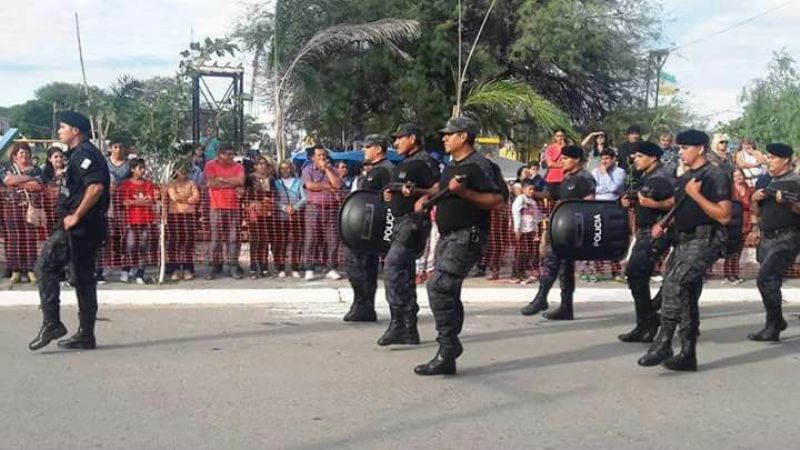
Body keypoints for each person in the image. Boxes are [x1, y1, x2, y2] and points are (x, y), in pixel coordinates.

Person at [412, 116, 507, 376]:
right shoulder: (451, 166)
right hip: (448, 236)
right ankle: (448, 351)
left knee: (439, 285)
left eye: (449, 134)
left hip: (468, 235)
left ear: (464, 136)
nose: (444, 137)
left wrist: (465, 193)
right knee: (447, 290)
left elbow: (498, 200)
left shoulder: (479, 165)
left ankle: (448, 346)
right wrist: (423, 197)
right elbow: (442, 190)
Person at [638, 129, 732, 372]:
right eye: (679, 148)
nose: (680, 152)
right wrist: (664, 221)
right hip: (683, 239)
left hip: (706, 239)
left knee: (676, 284)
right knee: (686, 293)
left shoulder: (715, 175)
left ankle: (664, 342)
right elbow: (679, 204)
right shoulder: (685, 177)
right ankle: (688, 354)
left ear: (700, 148)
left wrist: (696, 195)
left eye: (685, 148)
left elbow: (724, 216)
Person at [29, 111, 110, 351]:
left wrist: (76, 215)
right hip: (83, 226)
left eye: (63, 127)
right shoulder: (76, 154)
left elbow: (95, 186)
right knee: (82, 278)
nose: (59, 131)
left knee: (44, 267)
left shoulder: (84, 153)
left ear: (76, 130)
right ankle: (85, 334)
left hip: (78, 227)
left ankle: (52, 323)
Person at [378, 124, 439, 345]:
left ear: (412, 138)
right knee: (403, 273)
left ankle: (398, 323)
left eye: (400, 138)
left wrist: (421, 196)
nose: (396, 143)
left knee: (392, 268)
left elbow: (438, 188)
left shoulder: (425, 161)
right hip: (399, 222)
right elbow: (397, 188)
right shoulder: (404, 163)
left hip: (413, 224)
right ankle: (409, 329)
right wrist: (389, 193)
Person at [520, 145, 595, 320]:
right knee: (564, 269)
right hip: (562, 229)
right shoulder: (567, 178)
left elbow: (589, 204)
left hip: (573, 231)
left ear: (576, 160)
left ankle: (541, 299)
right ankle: (566, 308)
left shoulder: (584, 178)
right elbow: (551, 194)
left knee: (552, 263)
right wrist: (531, 193)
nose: (561, 161)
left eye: (565, 158)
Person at [618, 141, 676, 342]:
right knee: (636, 275)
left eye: (640, 156)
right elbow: (644, 199)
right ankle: (645, 322)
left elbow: (676, 202)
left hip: (656, 232)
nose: (635, 160)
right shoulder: (647, 177)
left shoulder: (662, 177)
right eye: (634, 157)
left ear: (653, 158)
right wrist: (631, 201)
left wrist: (654, 206)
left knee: (635, 273)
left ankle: (649, 320)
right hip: (644, 232)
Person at [747, 143, 800, 341]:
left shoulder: (795, 181)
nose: (768, 161)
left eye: (773, 158)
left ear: (785, 160)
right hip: (767, 236)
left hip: (787, 236)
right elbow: (758, 212)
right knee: (771, 281)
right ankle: (775, 324)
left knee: (765, 278)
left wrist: (787, 202)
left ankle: (774, 323)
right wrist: (754, 199)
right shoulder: (767, 180)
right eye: (768, 157)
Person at [343, 135, 394, 322]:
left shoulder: (382, 171)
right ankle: (363, 305)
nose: (365, 150)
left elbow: (374, 202)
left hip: (370, 229)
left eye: (368, 147)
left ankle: (364, 306)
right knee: (364, 267)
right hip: (368, 229)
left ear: (378, 149)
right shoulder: (381, 170)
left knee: (359, 266)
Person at [2, 143, 45, 284]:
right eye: (21, 153)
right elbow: (7, 180)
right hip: (12, 208)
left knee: (30, 239)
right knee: (14, 239)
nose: (24, 155)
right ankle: (15, 270)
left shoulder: (36, 169)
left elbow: (38, 185)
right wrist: (28, 179)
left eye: (26, 152)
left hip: (30, 208)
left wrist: (17, 181)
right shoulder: (8, 169)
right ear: (14, 155)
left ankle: (31, 269)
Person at [301, 145, 343, 281]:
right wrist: (326, 186)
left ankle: (330, 267)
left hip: (331, 208)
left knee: (332, 239)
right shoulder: (307, 170)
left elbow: (337, 185)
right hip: (313, 208)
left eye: (324, 155)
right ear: (313, 157)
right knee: (311, 238)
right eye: (319, 155)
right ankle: (309, 268)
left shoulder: (334, 170)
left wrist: (327, 169)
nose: (322, 158)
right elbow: (310, 185)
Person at [204, 145, 246, 280]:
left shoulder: (238, 166)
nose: (231, 157)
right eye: (228, 154)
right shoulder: (210, 165)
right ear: (220, 154)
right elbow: (212, 183)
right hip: (216, 206)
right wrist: (231, 183)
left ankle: (233, 265)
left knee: (234, 238)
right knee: (216, 238)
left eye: (232, 154)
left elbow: (241, 181)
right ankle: (214, 265)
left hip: (234, 206)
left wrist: (221, 180)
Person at [118, 158, 157, 284]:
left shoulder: (148, 184)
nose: (143, 170)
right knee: (130, 245)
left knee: (144, 246)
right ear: (132, 169)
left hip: (146, 220)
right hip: (131, 220)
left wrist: (134, 202)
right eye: (140, 168)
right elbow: (125, 202)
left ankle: (140, 273)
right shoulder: (126, 185)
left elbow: (150, 201)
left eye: (143, 168)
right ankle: (126, 270)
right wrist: (140, 202)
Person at [591, 148, 626, 280]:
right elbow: (594, 189)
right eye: (602, 159)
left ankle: (616, 271)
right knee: (598, 238)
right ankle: (598, 271)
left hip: (613, 208)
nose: (604, 162)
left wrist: (605, 174)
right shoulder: (595, 172)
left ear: (613, 159)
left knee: (613, 239)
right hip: (598, 207)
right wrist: (605, 188)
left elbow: (614, 188)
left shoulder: (620, 172)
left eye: (607, 159)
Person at [166, 162, 201, 281]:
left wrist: (183, 199)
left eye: (185, 170)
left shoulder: (192, 183)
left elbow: (196, 197)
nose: (183, 173)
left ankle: (188, 269)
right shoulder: (171, 184)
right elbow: (174, 197)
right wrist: (187, 198)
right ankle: (174, 269)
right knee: (174, 243)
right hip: (174, 216)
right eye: (181, 170)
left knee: (188, 243)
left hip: (189, 216)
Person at [273, 160, 306, 278]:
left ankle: (295, 267)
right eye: (282, 168)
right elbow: (274, 199)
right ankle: (280, 268)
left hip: (296, 216)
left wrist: (295, 208)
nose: (285, 170)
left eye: (287, 168)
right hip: (281, 217)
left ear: (291, 169)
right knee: (281, 242)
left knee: (296, 242)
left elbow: (304, 198)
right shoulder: (276, 183)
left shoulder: (299, 182)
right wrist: (284, 207)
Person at [244, 157, 275, 279]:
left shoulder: (271, 179)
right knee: (254, 239)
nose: (262, 166)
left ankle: (264, 266)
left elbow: (272, 193)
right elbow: (246, 194)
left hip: (267, 211)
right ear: (255, 166)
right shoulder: (249, 178)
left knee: (264, 239)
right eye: (260, 164)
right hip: (253, 211)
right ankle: (253, 267)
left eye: (265, 164)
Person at [723, 168, 754, 284]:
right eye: (736, 176)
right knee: (730, 248)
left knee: (739, 249)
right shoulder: (729, 190)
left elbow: (753, 204)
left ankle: (735, 273)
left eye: (740, 175)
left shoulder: (750, 190)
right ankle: (727, 274)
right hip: (732, 222)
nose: (738, 177)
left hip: (746, 221)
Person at [106, 141, 131, 283]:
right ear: (110, 148)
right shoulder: (104, 163)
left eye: (121, 146)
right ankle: (108, 265)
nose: (118, 149)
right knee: (108, 235)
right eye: (115, 147)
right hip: (108, 204)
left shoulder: (128, 165)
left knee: (125, 236)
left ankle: (126, 268)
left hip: (125, 204)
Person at [512, 179, 543, 284]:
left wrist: (536, 230)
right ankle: (516, 274)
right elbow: (516, 213)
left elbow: (536, 217)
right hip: (522, 230)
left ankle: (524, 272)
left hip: (530, 231)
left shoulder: (533, 202)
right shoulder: (520, 199)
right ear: (523, 189)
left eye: (533, 189)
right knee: (521, 252)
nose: (532, 191)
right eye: (530, 189)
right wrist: (517, 228)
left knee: (529, 252)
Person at [543, 128, 567, 201]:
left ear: (564, 136)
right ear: (555, 137)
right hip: (552, 179)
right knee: (551, 201)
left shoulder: (568, 148)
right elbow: (550, 164)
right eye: (558, 136)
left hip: (565, 178)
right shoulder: (550, 148)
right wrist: (561, 149)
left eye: (561, 136)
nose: (560, 138)